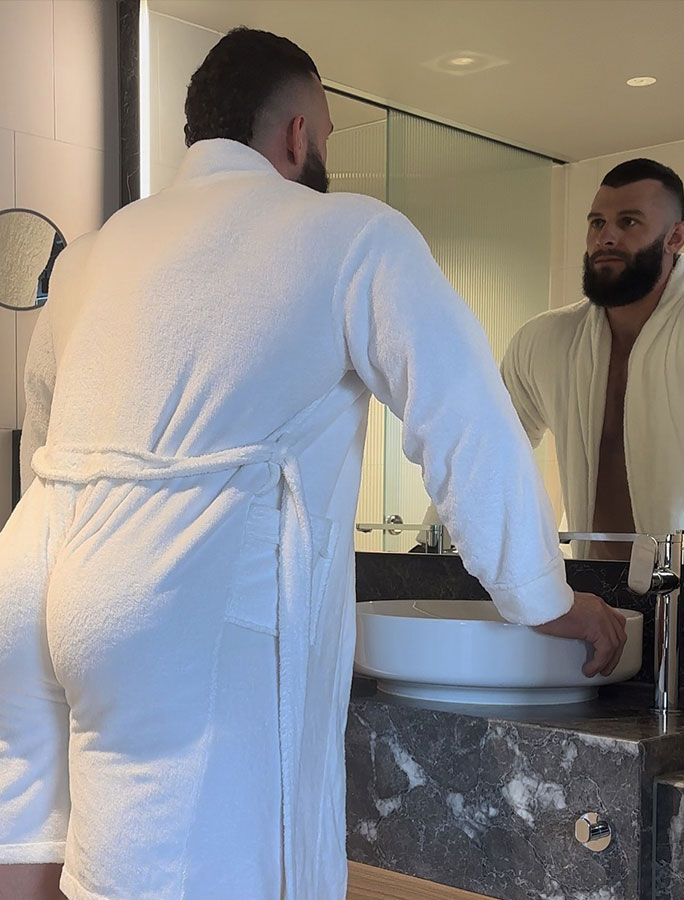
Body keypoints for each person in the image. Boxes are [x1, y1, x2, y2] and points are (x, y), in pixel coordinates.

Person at [0, 27, 625, 900]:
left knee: (33, 847)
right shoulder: (351, 233)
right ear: (296, 133)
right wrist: (542, 596)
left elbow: (39, 440)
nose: (324, 154)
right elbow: (464, 417)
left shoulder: (99, 249)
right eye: (327, 136)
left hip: (32, 568)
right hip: (173, 594)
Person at [501, 158, 684, 560]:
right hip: (591, 597)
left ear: (674, 237)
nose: (605, 237)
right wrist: (434, 546)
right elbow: (486, 448)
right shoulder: (546, 340)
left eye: (628, 222)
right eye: (596, 223)